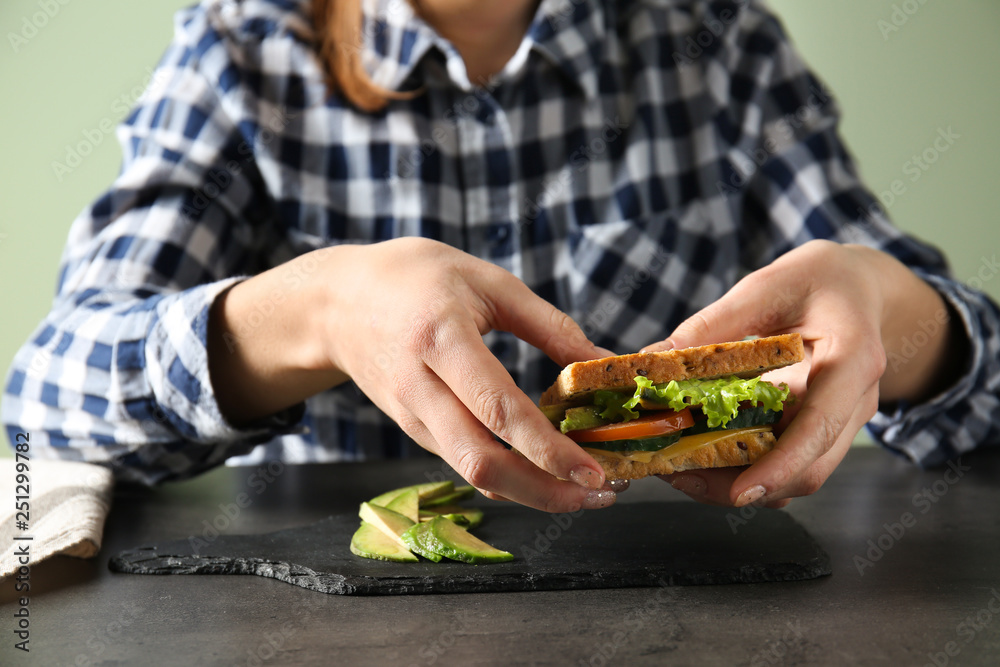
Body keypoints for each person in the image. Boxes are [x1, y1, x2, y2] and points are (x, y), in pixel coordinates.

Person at [3, 0, 998, 514]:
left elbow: (978, 387)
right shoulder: (238, 52)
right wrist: (317, 310)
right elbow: (41, 402)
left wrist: (897, 317)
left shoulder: (712, 37)